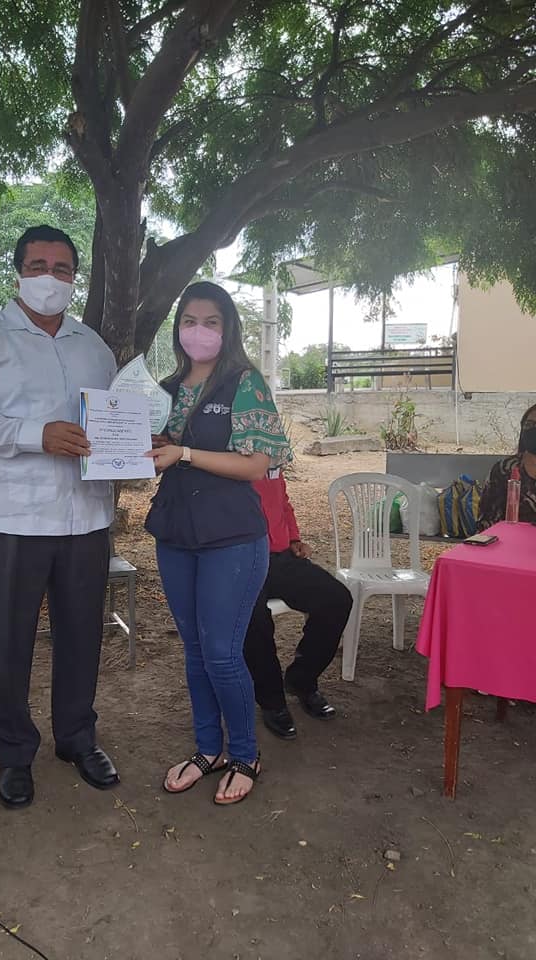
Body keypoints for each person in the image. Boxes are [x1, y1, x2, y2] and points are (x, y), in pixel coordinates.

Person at [0, 224, 120, 809]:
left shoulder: (94, 347)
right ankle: (14, 754)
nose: (50, 278)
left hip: (85, 518)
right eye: (38, 266)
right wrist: (32, 434)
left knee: (82, 635)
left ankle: (77, 738)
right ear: (18, 272)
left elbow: (112, 420)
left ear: (74, 278)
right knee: (5, 644)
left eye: (62, 268)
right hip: (12, 519)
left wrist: (132, 446)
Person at [145, 281, 291, 805]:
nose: (199, 331)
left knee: (223, 654)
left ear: (228, 329)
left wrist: (184, 454)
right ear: (177, 328)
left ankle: (245, 754)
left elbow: (257, 464)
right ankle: (208, 749)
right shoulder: (164, 389)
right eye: (189, 321)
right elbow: (156, 452)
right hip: (175, 534)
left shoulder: (244, 383)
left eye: (211, 322)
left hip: (231, 537)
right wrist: (146, 447)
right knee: (194, 651)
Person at [243, 469, 353, 739]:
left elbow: (282, 501)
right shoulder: (224, 452)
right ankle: (271, 699)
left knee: (336, 598)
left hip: (280, 557)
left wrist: (293, 538)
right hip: (240, 557)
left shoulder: (271, 451)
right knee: (254, 619)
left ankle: (302, 680)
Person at [478, 403, 536, 529]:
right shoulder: (504, 469)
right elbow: (487, 519)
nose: (533, 429)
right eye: (529, 424)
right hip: (511, 539)